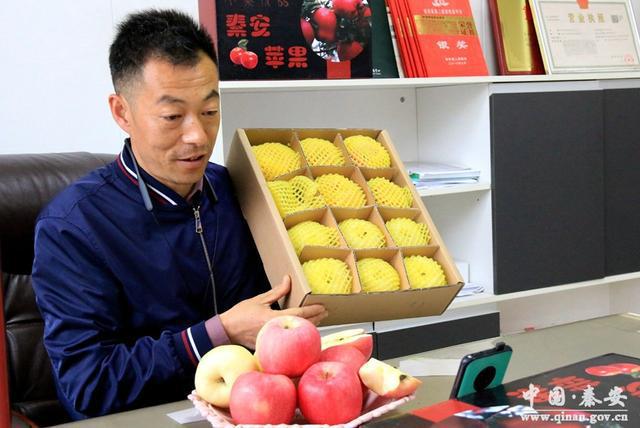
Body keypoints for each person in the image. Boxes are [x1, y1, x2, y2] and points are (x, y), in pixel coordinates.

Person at [31, 9, 327, 420]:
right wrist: (217, 333)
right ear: (122, 112)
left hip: (257, 409)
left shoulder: (243, 190)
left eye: (209, 112)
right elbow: (88, 387)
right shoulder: (73, 228)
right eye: (172, 117)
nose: (198, 136)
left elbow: (274, 316)